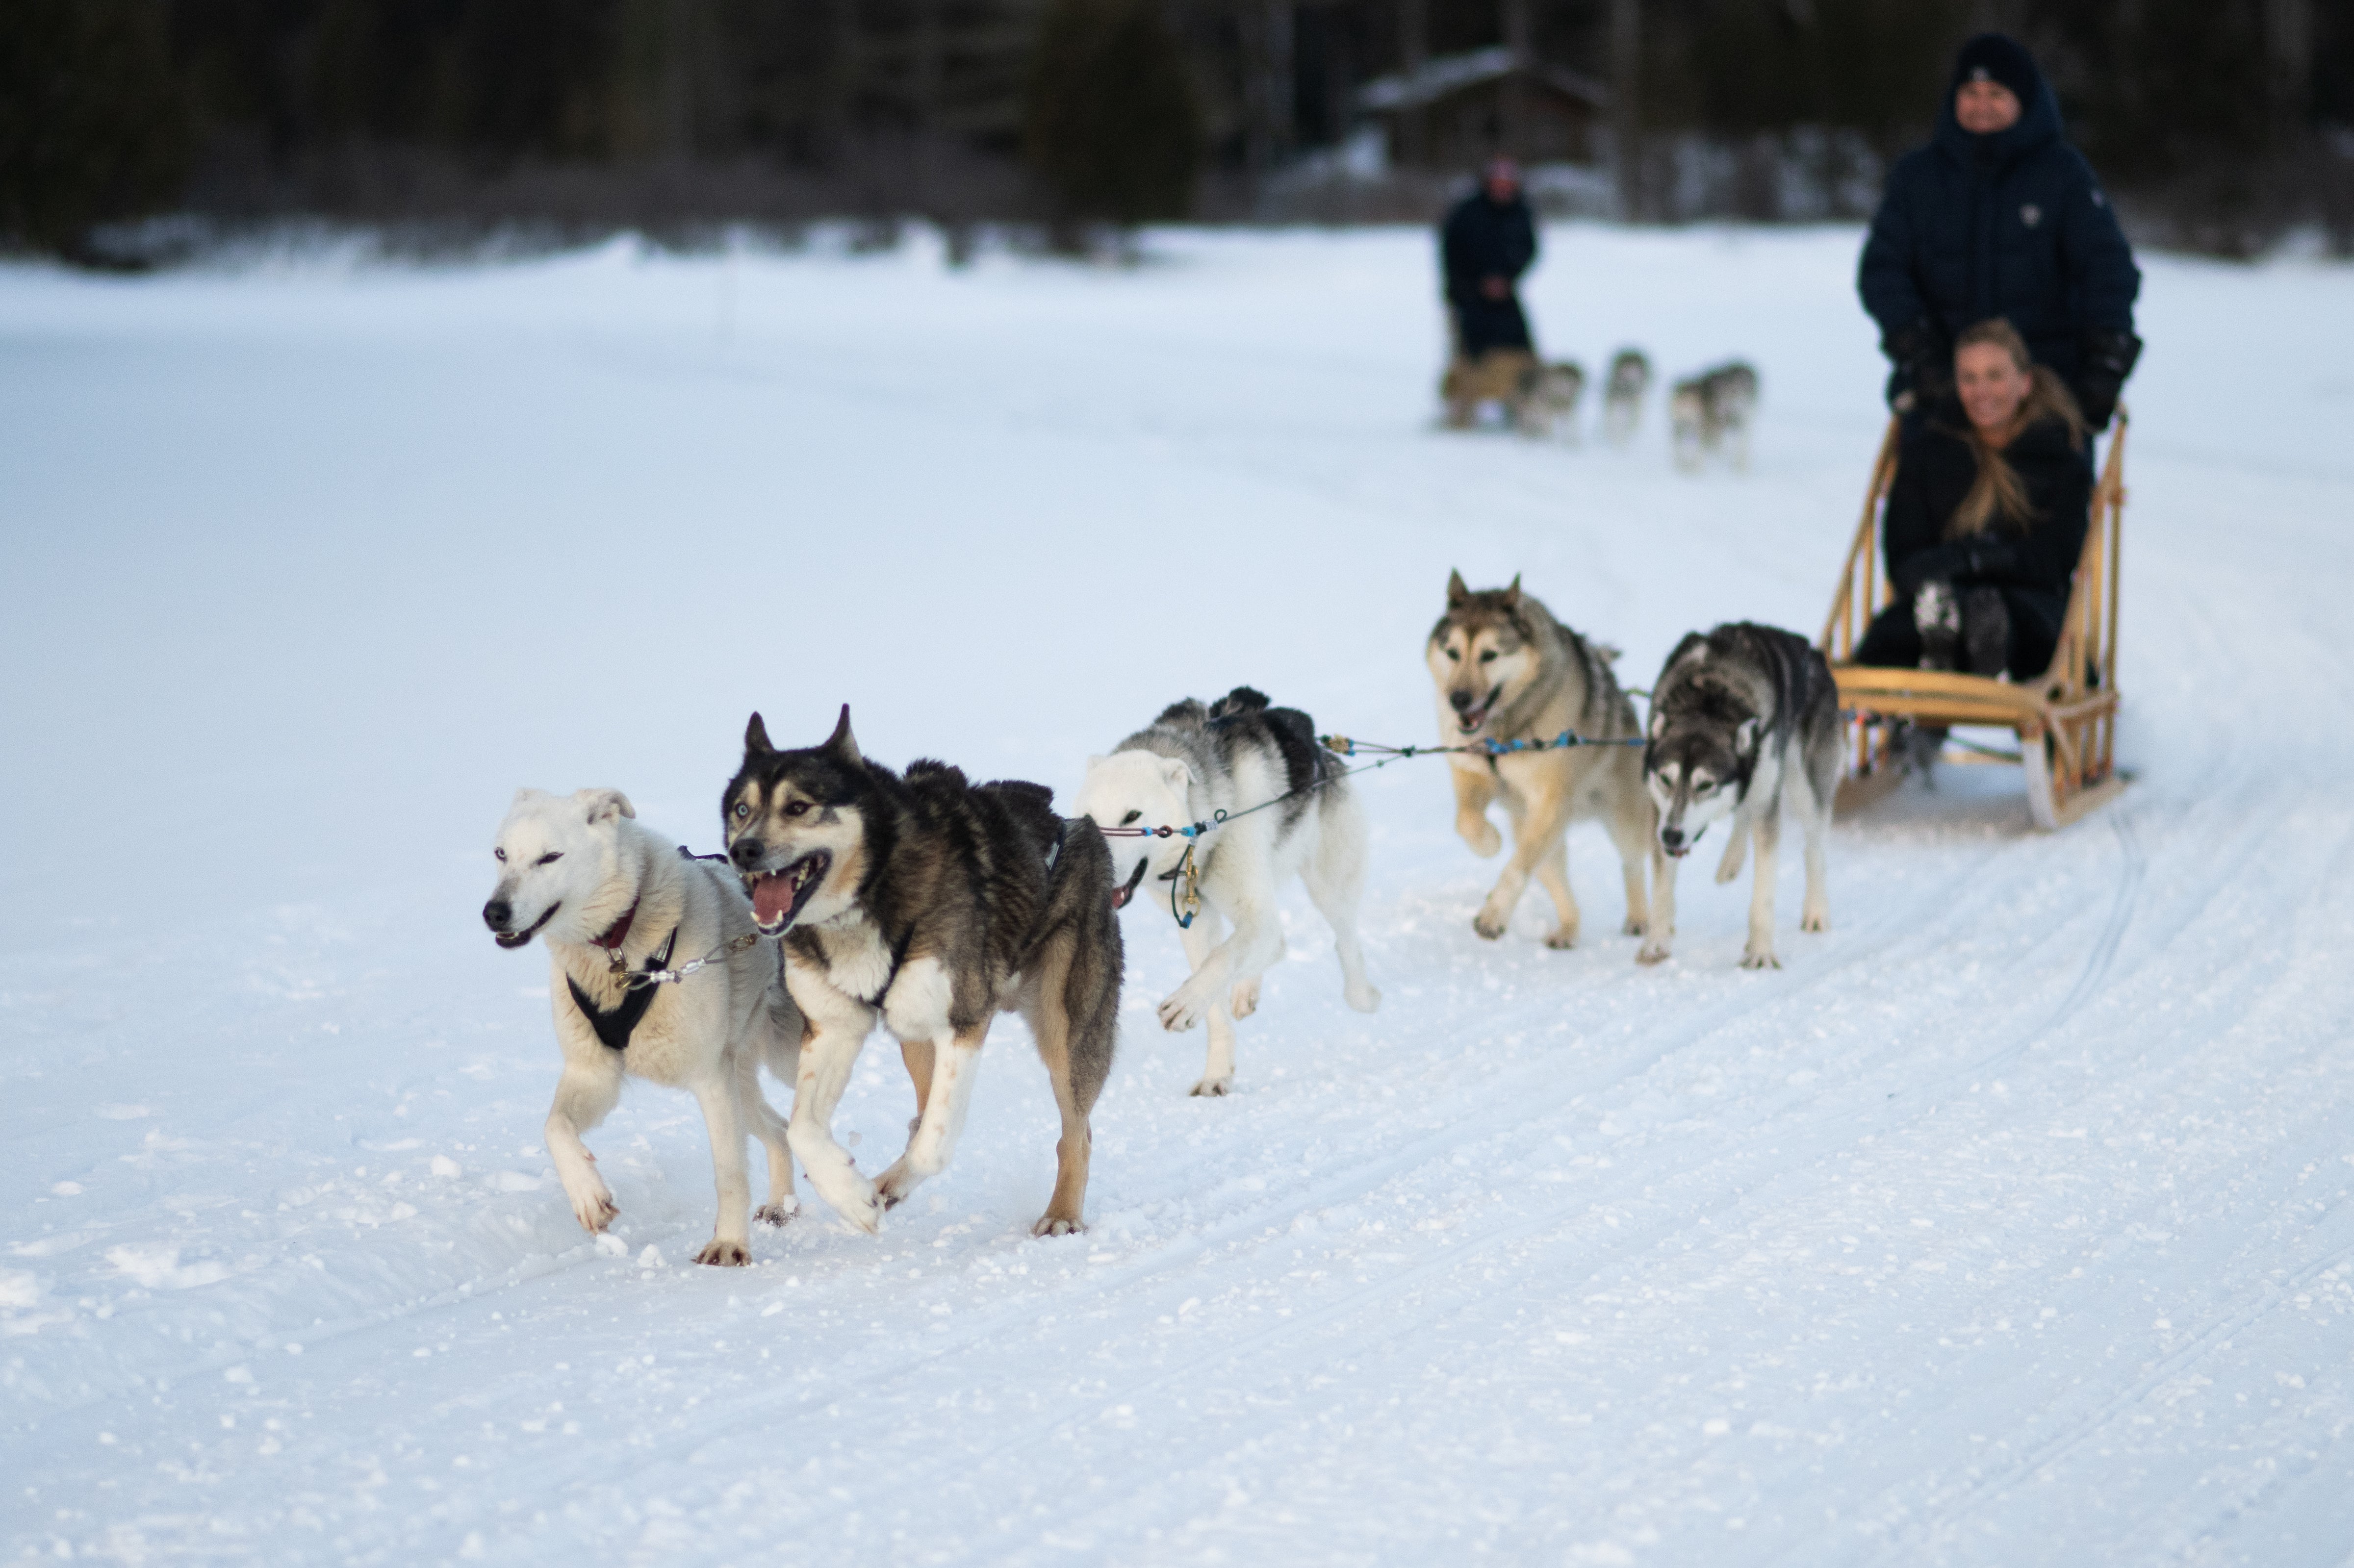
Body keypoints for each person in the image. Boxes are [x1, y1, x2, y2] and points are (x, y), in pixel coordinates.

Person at [1859, 33, 2142, 431]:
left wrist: (2104, 365)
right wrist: (1918, 353)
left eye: (1996, 93)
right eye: (1970, 92)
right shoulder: (1918, 177)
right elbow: (1883, 271)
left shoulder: (2062, 174)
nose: (1981, 106)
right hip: (1943, 388)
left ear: (2023, 100)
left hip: (2044, 388)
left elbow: (2107, 268)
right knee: (1927, 490)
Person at [1854, 318, 2092, 683]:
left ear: (2025, 382)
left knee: (2020, 625)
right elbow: (1905, 562)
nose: (1982, 391)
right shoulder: (1929, 455)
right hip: (1938, 603)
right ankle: (1933, 679)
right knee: (1907, 625)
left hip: (2031, 611)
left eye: (1995, 376)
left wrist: (1974, 559)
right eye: (1969, 378)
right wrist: (1973, 558)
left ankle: (1967, 654)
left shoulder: (2060, 462)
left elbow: (2055, 560)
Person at [1437, 157, 1538, 424]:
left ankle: (1517, 402)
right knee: (1469, 354)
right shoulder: (1466, 214)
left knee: (1519, 350)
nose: (1503, 189)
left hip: (1505, 295)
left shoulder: (1520, 213)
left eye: (1508, 184)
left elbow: (1529, 249)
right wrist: (1475, 283)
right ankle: (1461, 408)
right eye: (1498, 184)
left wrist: (1506, 277)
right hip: (1467, 295)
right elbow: (1451, 254)